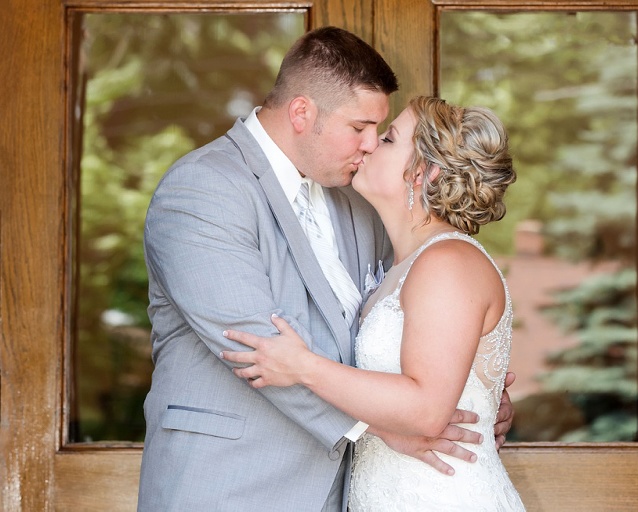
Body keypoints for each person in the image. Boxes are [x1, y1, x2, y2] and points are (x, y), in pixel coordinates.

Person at [138, 27, 515, 511]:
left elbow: (430, 325)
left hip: (348, 494)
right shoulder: (203, 190)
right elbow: (254, 345)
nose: (370, 145)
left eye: (382, 133)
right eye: (359, 128)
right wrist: (380, 428)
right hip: (229, 487)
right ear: (303, 113)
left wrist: (478, 393)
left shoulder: (359, 204)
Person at [221, 95, 526, 510]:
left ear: (425, 172)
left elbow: (426, 410)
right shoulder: (401, 263)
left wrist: (303, 367)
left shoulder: (448, 263)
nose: (368, 145)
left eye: (387, 139)